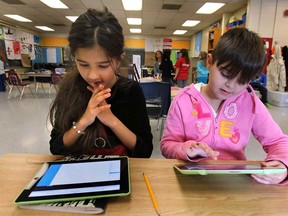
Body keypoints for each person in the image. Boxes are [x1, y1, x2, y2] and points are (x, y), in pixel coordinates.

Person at [160, 28, 288, 185]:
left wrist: (281, 164)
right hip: (190, 182)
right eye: (226, 74)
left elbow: (278, 141)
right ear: (209, 62)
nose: (230, 85)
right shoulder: (184, 100)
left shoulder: (249, 102)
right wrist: (186, 149)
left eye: (242, 81)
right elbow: (167, 145)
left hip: (233, 183)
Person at [49, 8, 153, 158]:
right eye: (83, 65)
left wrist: (111, 120)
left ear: (118, 61)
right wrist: (84, 121)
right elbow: (56, 147)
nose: (92, 75)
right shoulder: (70, 88)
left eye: (103, 66)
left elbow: (145, 151)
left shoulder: (131, 91)